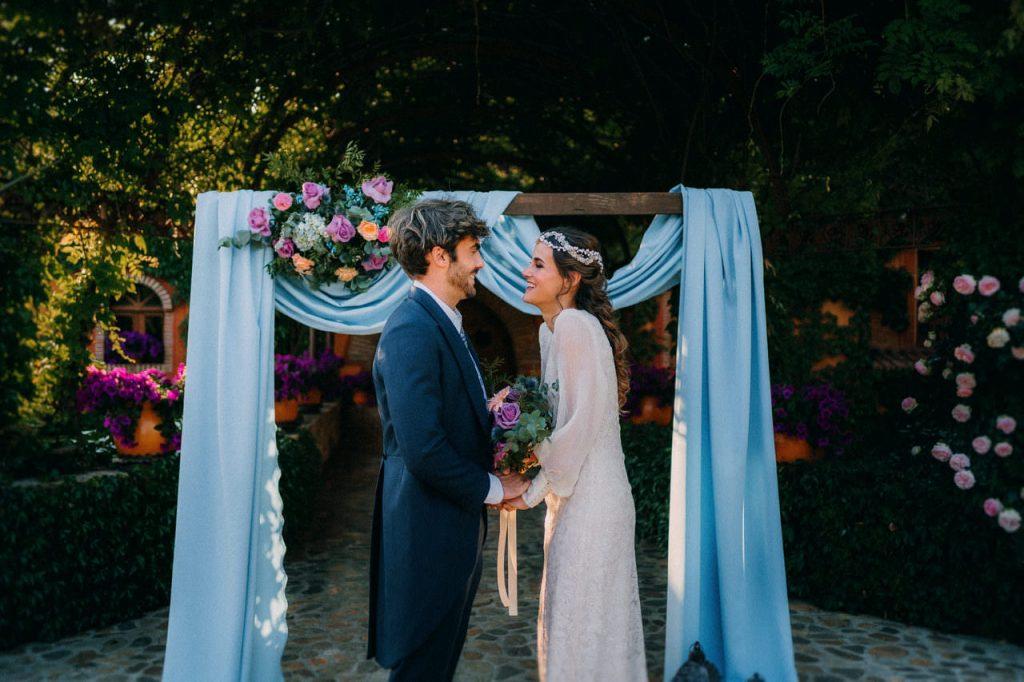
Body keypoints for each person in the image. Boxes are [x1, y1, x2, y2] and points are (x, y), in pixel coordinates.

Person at [367, 199, 528, 681]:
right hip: (426, 534)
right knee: (421, 669)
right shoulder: (412, 329)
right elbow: (423, 449)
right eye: (472, 250)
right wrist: (496, 489)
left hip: (448, 530)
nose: (479, 263)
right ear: (440, 255)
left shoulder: (443, 322)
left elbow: (449, 420)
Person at [505, 227, 648, 681]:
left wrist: (527, 493)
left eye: (538, 265)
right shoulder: (551, 331)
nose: (526, 272)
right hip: (574, 496)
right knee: (573, 622)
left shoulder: (573, 326)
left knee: (582, 626)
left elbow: (577, 428)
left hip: (593, 500)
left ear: (569, 280)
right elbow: (556, 420)